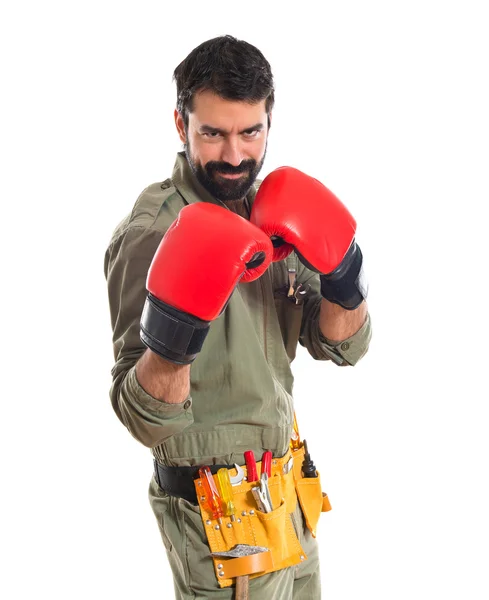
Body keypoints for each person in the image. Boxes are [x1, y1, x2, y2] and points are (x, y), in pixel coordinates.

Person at [104, 35, 372, 599]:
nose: (234, 156)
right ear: (181, 125)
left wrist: (347, 277)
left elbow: (344, 346)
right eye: (213, 133)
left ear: (269, 121)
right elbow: (142, 417)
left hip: (287, 491)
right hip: (220, 519)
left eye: (250, 132)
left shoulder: (274, 211)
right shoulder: (153, 230)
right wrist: (174, 335)